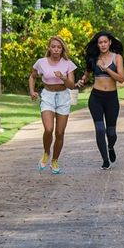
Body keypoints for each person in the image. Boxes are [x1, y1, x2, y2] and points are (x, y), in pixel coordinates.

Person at [76, 31, 124, 170]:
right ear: (97, 45)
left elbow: (121, 78)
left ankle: (110, 147)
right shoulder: (93, 58)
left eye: (105, 42)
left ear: (110, 42)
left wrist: (107, 70)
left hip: (111, 99)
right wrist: (81, 81)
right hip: (96, 98)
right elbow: (86, 76)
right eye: (100, 42)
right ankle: (105, 160)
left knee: (111, 133)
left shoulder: (117, 58)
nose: (103, 45)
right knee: (99, 130)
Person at [29, 35, 77, 174]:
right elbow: (32, 77)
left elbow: (72, 85)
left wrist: (63, 77)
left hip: (63, 97)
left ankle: (55, 160)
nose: (56, 49)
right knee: (49, 129)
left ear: (62, 49)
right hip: (48, 96)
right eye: (53, 47)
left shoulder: (68, 64)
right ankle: (46, 153)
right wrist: (32, 91)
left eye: (59, 47)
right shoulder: (41, 62)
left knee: (60, 133)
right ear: (49, 48)